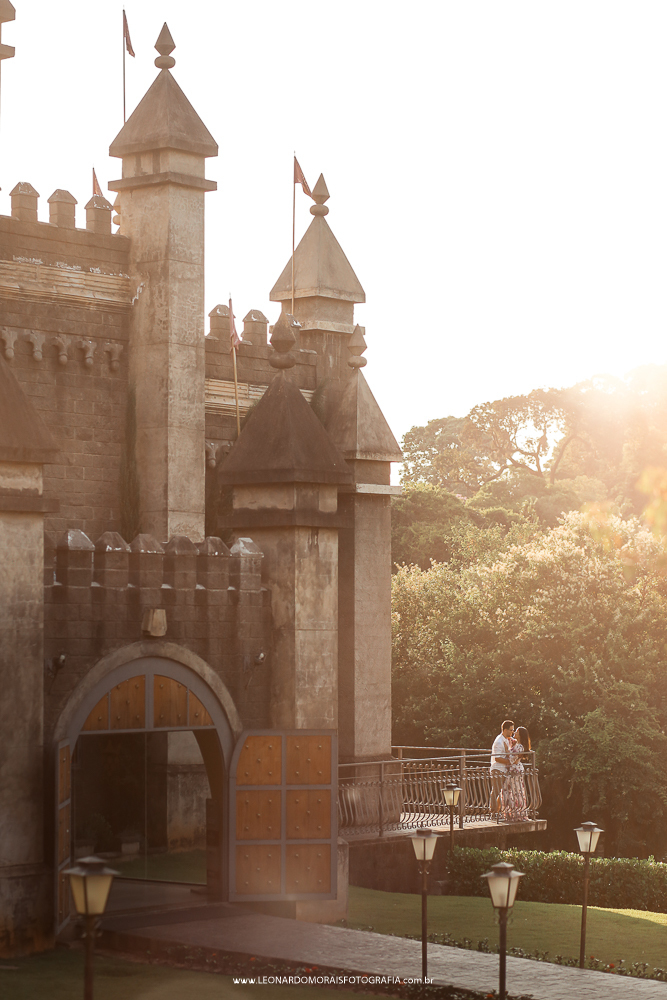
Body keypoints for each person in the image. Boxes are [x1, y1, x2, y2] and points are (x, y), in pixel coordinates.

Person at [500, 726, 531, 822]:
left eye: (516, 731)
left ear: (520, 735)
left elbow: (511, 759)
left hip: (514, 771)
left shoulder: (519, 746)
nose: (514, 732)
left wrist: (506, 750)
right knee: (513, 791)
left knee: (514, 792)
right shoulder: (517, 744)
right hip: (514, 770)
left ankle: (516, 814)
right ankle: (512, 813)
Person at [489, 720, 514, 819]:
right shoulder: (499, 741)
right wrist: (510, 762)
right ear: (505, 730)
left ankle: (498, 811)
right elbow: (497, 758)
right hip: (497, 769)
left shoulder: (505, 739)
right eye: (511, 730)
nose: (512, 732)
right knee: (496, 791)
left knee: (501, 792)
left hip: (502, 769)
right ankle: (493, 812)